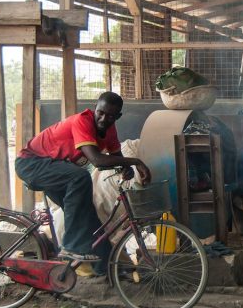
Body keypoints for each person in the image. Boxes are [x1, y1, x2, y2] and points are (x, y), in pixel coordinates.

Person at [15, 92, 150, 274]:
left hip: (56, 169)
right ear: (95, 109)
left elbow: (117, 157)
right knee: (80, 177)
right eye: (100, 113)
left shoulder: (110, 130)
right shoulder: (82, 121)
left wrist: (127, 169)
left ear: (117, 117)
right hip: (32, 164)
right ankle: (71, 247)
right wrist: (135, 162)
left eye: (110, 116)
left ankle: (108, 270)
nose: (103, 119)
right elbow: (97, 160)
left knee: (90, 219)